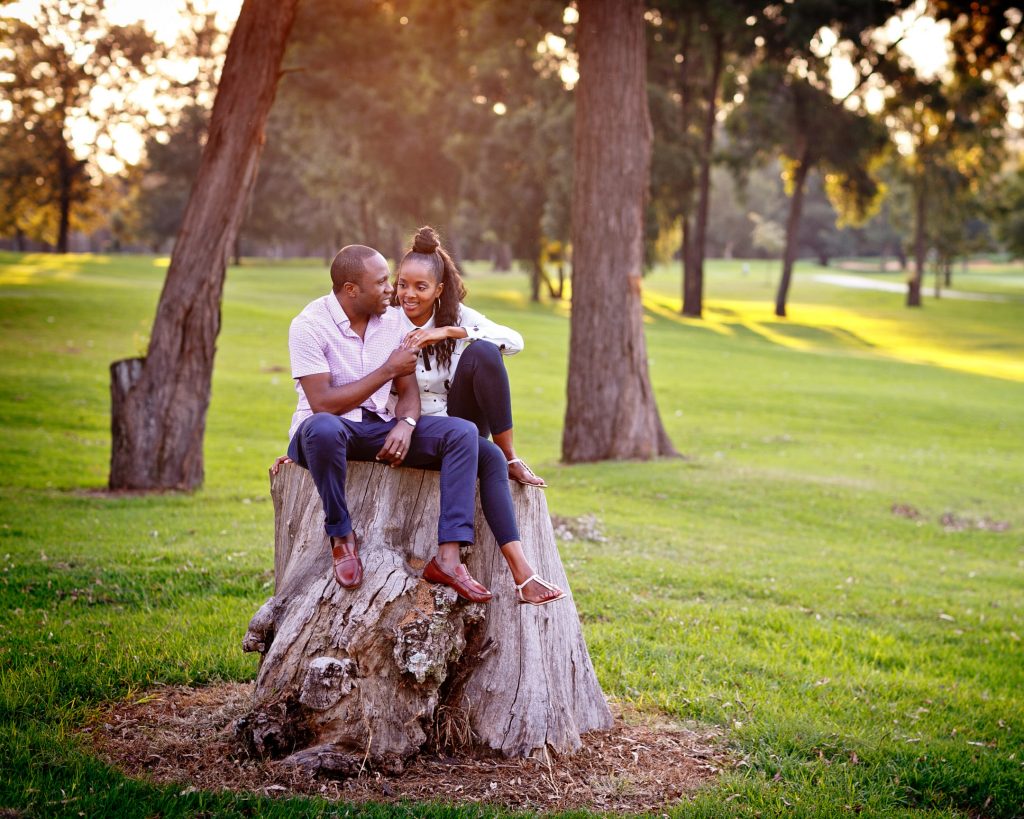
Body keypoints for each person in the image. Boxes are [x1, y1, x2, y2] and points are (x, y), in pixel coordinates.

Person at [277, 244, 564, 606]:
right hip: (328, 429)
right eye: (385, 283)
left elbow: (408, 391)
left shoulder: (393, 322)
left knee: (464, 434)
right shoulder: (308, 326)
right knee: (322, 428)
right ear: (352, 290)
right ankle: (342, 538)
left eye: (391, 282)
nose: (392, 292)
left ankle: (448, 557)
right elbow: (323, 404)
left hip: (381, 427)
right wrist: (387, 371)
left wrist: (407, 422)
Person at [392, 226, 546, 488]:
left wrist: (449, 332)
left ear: (438, 290)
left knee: (484, 351)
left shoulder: (455, 315)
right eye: (402, 285)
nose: (409, 294)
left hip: (457, 421)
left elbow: (514, 342)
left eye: (421, 287)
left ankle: (510, 459)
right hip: (405, 428)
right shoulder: (385, 321)